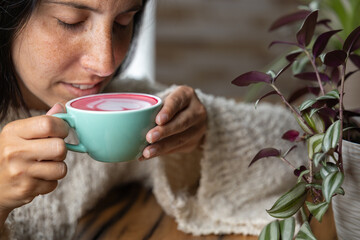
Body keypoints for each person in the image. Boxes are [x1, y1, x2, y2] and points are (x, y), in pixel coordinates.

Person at [0, 0, 305, 239]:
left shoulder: (122, 108)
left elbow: (302, 140)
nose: (106, 63)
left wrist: (208, 131)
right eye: (71, 22)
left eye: (123, 22)